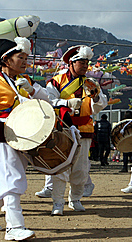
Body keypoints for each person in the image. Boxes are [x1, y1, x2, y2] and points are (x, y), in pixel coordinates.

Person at [0, 37, 49, 240]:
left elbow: (46, 102)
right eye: (20, 57)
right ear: (6, 59)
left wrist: (33, 90)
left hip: (24, 135)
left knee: (11, 177)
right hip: (1, 135)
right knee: (13, 178)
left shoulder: (26, 81)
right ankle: (14, 227)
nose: (25, 62)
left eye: (26, 58)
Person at [44, 45, 107, 215]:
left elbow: (99, 106)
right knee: (61, 167)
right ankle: (58, 202)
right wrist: (66, 103)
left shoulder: (91, 83)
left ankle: (75, 199)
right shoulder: (56, 81)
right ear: (71, 63)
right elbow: (49, 101)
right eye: (82, 62)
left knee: (81, 168)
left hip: (85, 129)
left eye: (87, 63)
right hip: (63, 129)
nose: (86, 66)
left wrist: (96, 97)